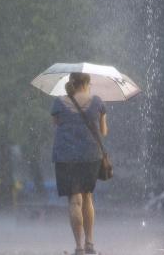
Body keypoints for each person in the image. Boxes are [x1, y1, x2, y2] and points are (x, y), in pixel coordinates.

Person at [50, 72, 108, 255]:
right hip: (90, 155)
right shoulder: (97, 102)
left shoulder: (59, 103)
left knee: (75, 201)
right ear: (88, 83)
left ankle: (78, 247)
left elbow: (57, 124)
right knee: (88, 197)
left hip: (66, 156)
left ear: (72, 84)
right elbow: (103, 131)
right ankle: (90, 244)